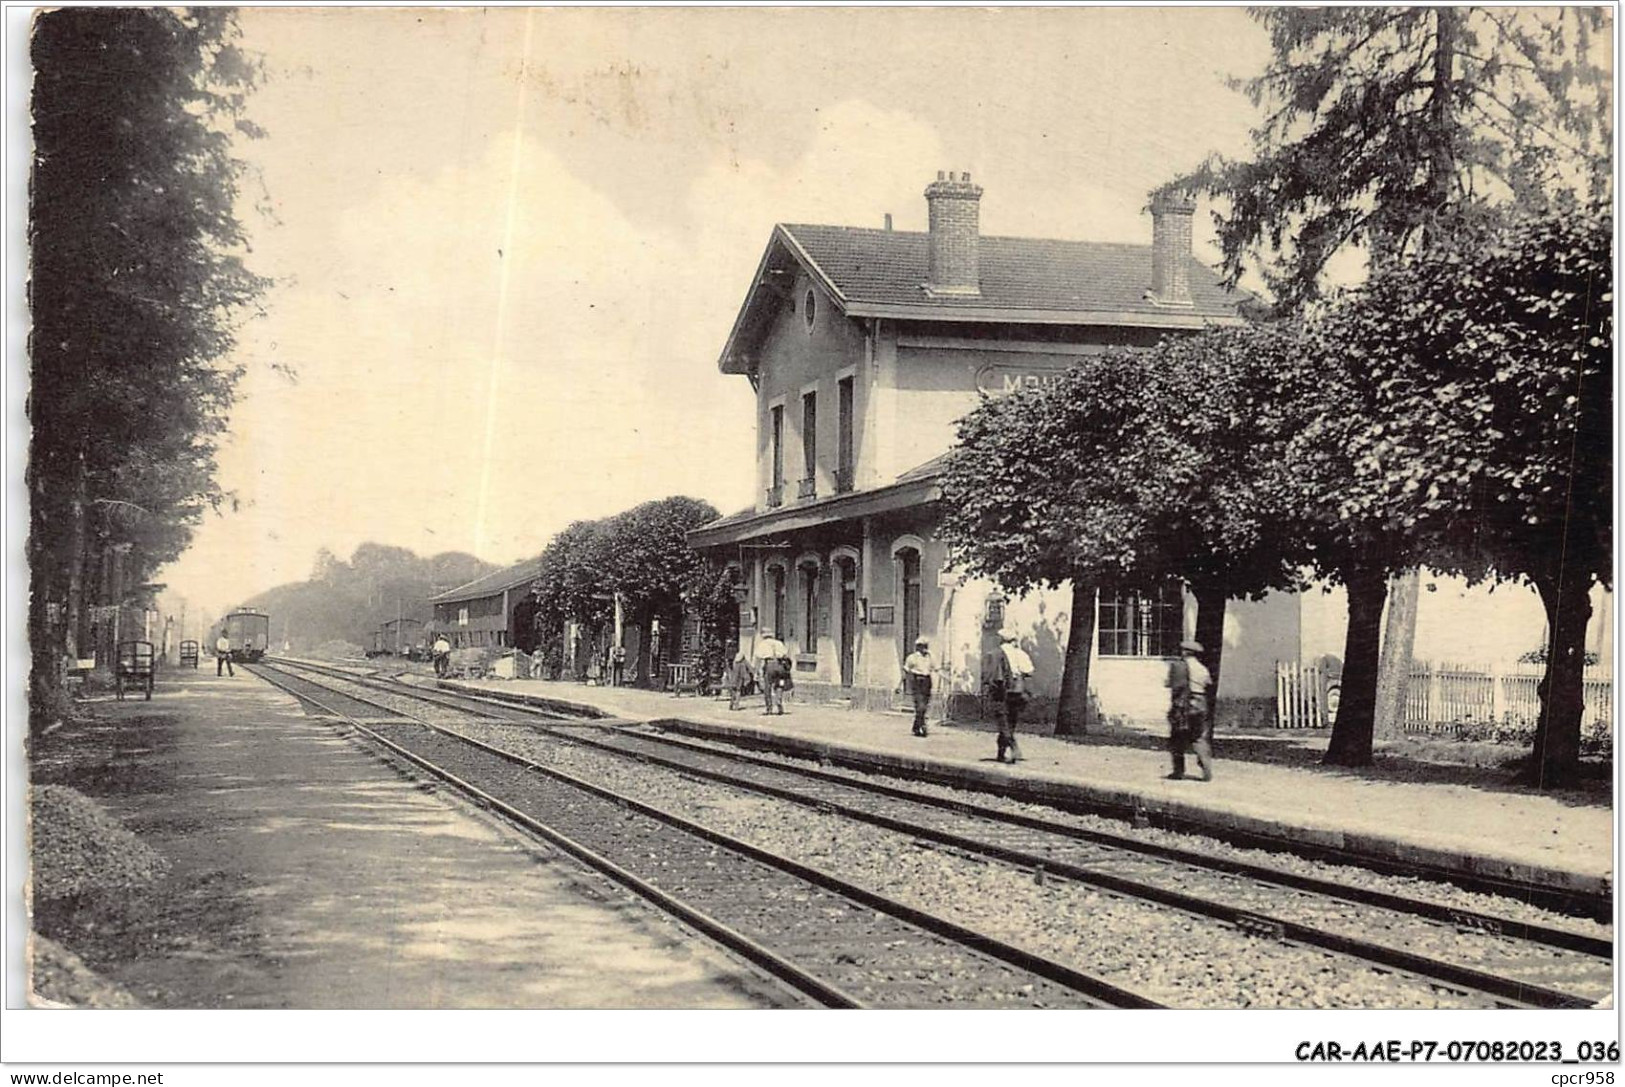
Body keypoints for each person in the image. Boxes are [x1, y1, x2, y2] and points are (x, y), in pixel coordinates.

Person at [1165, 639, 1214, 781]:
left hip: (1183, 705)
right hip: (1200, 704)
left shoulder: (1178, 666)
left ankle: (1178, 771)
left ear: (1185, 652)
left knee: (1177, 738)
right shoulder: (1203, 668)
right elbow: (1208, 683)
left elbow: (1172, 685)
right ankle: (1206, 769)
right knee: (1198, 737)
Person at [992, 628, 1034, 762]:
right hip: (1017, 690)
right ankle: (1001, 753)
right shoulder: (1020, 653)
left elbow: (990, 674)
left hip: (1001, 690)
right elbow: (1029, 671)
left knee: (1003, 721)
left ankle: (1013, 747)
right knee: (1011, 722)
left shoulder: (996, 653)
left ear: (1002, 639)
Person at [901, 636, 934, 737]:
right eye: (922, 646)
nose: (924, 648)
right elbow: (906, 671)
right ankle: (922, 727)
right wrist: (901, 684)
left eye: (926, 646)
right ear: (918, 647)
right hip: (917, 681)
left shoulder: (930, 657)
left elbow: (935, 668)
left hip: (927, 681)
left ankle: (916, 726)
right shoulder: (912, 658)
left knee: (925, 705)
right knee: (920, 706)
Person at [756, 629, 790, 715]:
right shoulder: (778, 643)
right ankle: (779, 701)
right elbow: (786, 654)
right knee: (780, 684)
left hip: (770, 665)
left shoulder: (762, 644)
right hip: (780, 666)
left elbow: (758, 658)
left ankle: (769, 708)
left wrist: (757, 671)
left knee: (768, 686)